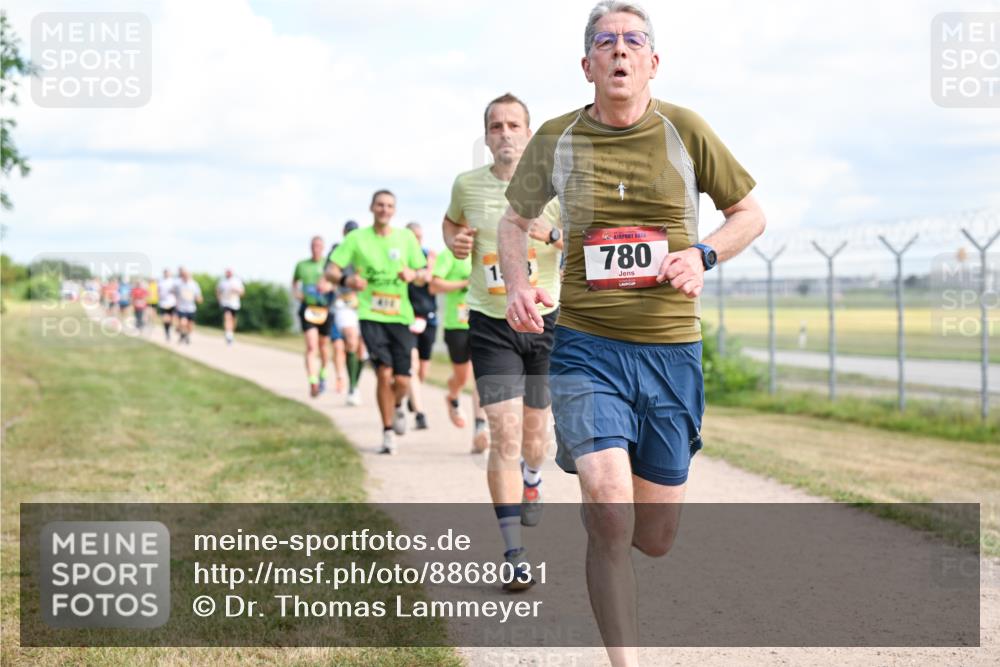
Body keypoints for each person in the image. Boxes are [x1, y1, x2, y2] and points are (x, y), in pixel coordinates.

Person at [499, 3, 766, 664]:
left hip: (672, 350)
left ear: (653, 62)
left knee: (655, 535)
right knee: (610, 504)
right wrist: (515, 285)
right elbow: (512, 223)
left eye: (633, 40)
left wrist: (702, 255)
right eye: (605, 41)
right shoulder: (558, 137)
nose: (619, 50)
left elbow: (749, 214)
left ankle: (609, 521)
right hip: (588, 346)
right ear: (587, 63)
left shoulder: (686, 129)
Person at [443, 92, 564, 591]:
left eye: (514, 124)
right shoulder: (467, 185)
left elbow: (585, 243)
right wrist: (454, 240)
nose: (506, 133)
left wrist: (552, 236)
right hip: (492, 323)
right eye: (496, 126)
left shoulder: (555, 188)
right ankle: (514, 552)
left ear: (529, 134)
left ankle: (533, 478)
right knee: (504, 436)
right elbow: (452, 225)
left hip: (544, 322)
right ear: (487, 135)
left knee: (536, 440)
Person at [327, 190, 427, 454]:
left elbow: (424, 273)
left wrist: (413, 273)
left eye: (389, 206)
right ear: (372, 207)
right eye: (380, 205)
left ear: (394, 211)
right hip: (371, 315)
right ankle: (387, 432)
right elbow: (331, 270)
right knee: (383, 372)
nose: (384, 209)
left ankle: (397, 407)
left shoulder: (405, 238)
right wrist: (347, 281)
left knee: (403, 380)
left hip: (400, 316)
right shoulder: (356, 239)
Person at [430, 246, 491, 453]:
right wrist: (466, 283)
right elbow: (434, 285)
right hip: (456, 325)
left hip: (483, 323)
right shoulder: (449, 254)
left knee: (480, 377)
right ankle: (452, 395)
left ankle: (479, 428)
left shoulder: (487, 251)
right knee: (461, 377)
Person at [327, 220, 365, 405]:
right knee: (351, 340)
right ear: (343, 232)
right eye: (349, 231)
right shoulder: (337, 252)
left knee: (362, 349)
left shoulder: (365, 250)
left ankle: (355, 384)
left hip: (365, 303)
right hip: (344, 303)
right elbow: (329, 274)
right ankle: (352, 388)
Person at [404, 221, 438, 431]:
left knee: (423, 370)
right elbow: (421, 278)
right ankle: (419, 413)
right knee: (413, 367)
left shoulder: (429, 255)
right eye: (412, 237)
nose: (416, 241)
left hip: (429, 318)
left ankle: (412, 397)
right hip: (407, 318)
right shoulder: (401, 258)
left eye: (419, 237)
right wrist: (428, 268)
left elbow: (432, 282)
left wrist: (431, 267)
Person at [293, 236, 335, 397]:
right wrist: (297, 294)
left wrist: (328, 286)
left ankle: (323, 374)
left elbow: (336, 283)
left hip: (325, 309)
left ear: (322, 247)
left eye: (318, 245)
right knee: (311, 346)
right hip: (308, 308)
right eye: (313, 245)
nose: (316, 248)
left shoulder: (328, 264)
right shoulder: (301, 265)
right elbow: (294, 282)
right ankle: (313, 382)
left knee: (323, 346)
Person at [216, 268, 246, 345]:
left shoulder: (237, 281)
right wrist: (219, 300)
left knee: (233, 319)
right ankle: (228, 334)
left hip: (235, 304)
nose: (228, 273)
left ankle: (231, 333)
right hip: (225, 303)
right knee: (227, 316)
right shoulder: (222, 281)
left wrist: (236, 290)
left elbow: (242, 293)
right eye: (227, 272)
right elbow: (218, 291)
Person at [174, 267, 203, 345]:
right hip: (181, 308)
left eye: (187, 275)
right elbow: (174, 294)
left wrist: (199, 299)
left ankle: (185, 335)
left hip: (191, 308)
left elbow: (199, 296)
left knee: (190, 326)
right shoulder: (178, 284)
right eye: (184, 275)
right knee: (183, 323)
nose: (185, 277)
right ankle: (183, 334)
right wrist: (176, 303)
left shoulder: (194, 284)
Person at [156, 269, 177, 341]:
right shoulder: (160, 281)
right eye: (165, 273)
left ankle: (169, 328)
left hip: (172, 303)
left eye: (168, 273)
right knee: (165, 319)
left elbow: (176, 291)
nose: (167, 274)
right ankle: (167, 333)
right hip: (163, 303)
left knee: (171, 319)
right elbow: (158, 291)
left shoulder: (173, 281)